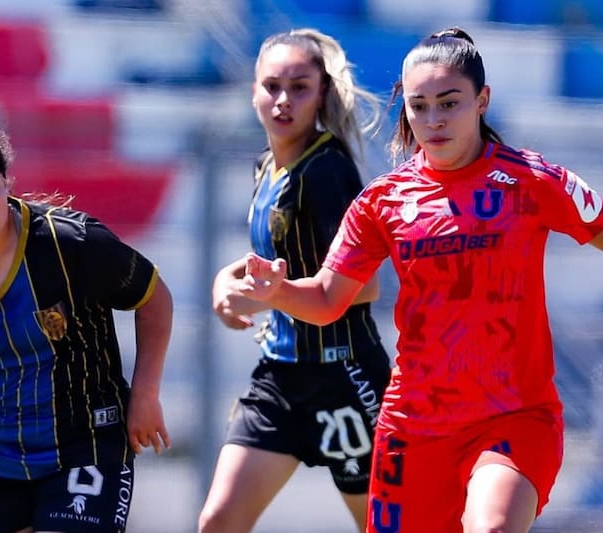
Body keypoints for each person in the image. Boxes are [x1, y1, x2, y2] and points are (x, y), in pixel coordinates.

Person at [234, 27, 603, 533]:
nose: (433, 120)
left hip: (514, 417)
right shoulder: (381, 201)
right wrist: (278, 292)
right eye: (419, 106)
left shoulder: (532, 180)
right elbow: (327, 299)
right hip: (414, 428)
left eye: (449, 103)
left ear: (482, 100)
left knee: (491, 526)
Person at [0, 118, 174, 533]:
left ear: (7, 181)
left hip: (85, 443)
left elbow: (154, 298)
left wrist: (146, 394)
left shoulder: (71, 243)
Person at [197, 28, 391, 533]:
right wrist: (225, 283)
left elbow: (364, 284)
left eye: (299, 87)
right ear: (253, 92)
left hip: (343, 375)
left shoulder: (327, 172)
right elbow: (274, 261)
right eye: (272, 86)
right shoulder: (267, 166)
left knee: (383, 526)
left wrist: (270, 297)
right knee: (218, 520)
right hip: (280, 378)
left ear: (322, 94)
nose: (283, 100)